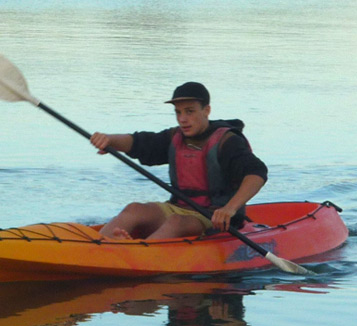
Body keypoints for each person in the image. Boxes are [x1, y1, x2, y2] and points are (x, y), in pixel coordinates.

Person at [90, 82, 267, 240]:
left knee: (176, 223)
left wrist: (229, 208)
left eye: (190, 111)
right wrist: (109, 140)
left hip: (214, 217)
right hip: (177, 208)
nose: (182, 119)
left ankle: (136, 253)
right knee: (134, 209)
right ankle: (97, 247)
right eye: (178, 112)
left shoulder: (227, 142)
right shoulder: (175, 137)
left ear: (206, 110)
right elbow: (139, 143)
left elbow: (257, 173)